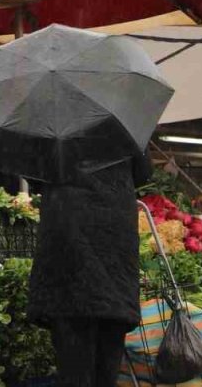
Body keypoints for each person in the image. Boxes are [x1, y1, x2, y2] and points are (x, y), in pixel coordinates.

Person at [29, 153, 151, 387]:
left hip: (67, 257)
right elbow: (143, 174)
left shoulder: (50, 129)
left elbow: (34, 177)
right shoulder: (121, 127)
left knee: (74, 367)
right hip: (114, 256)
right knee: (107, 364)